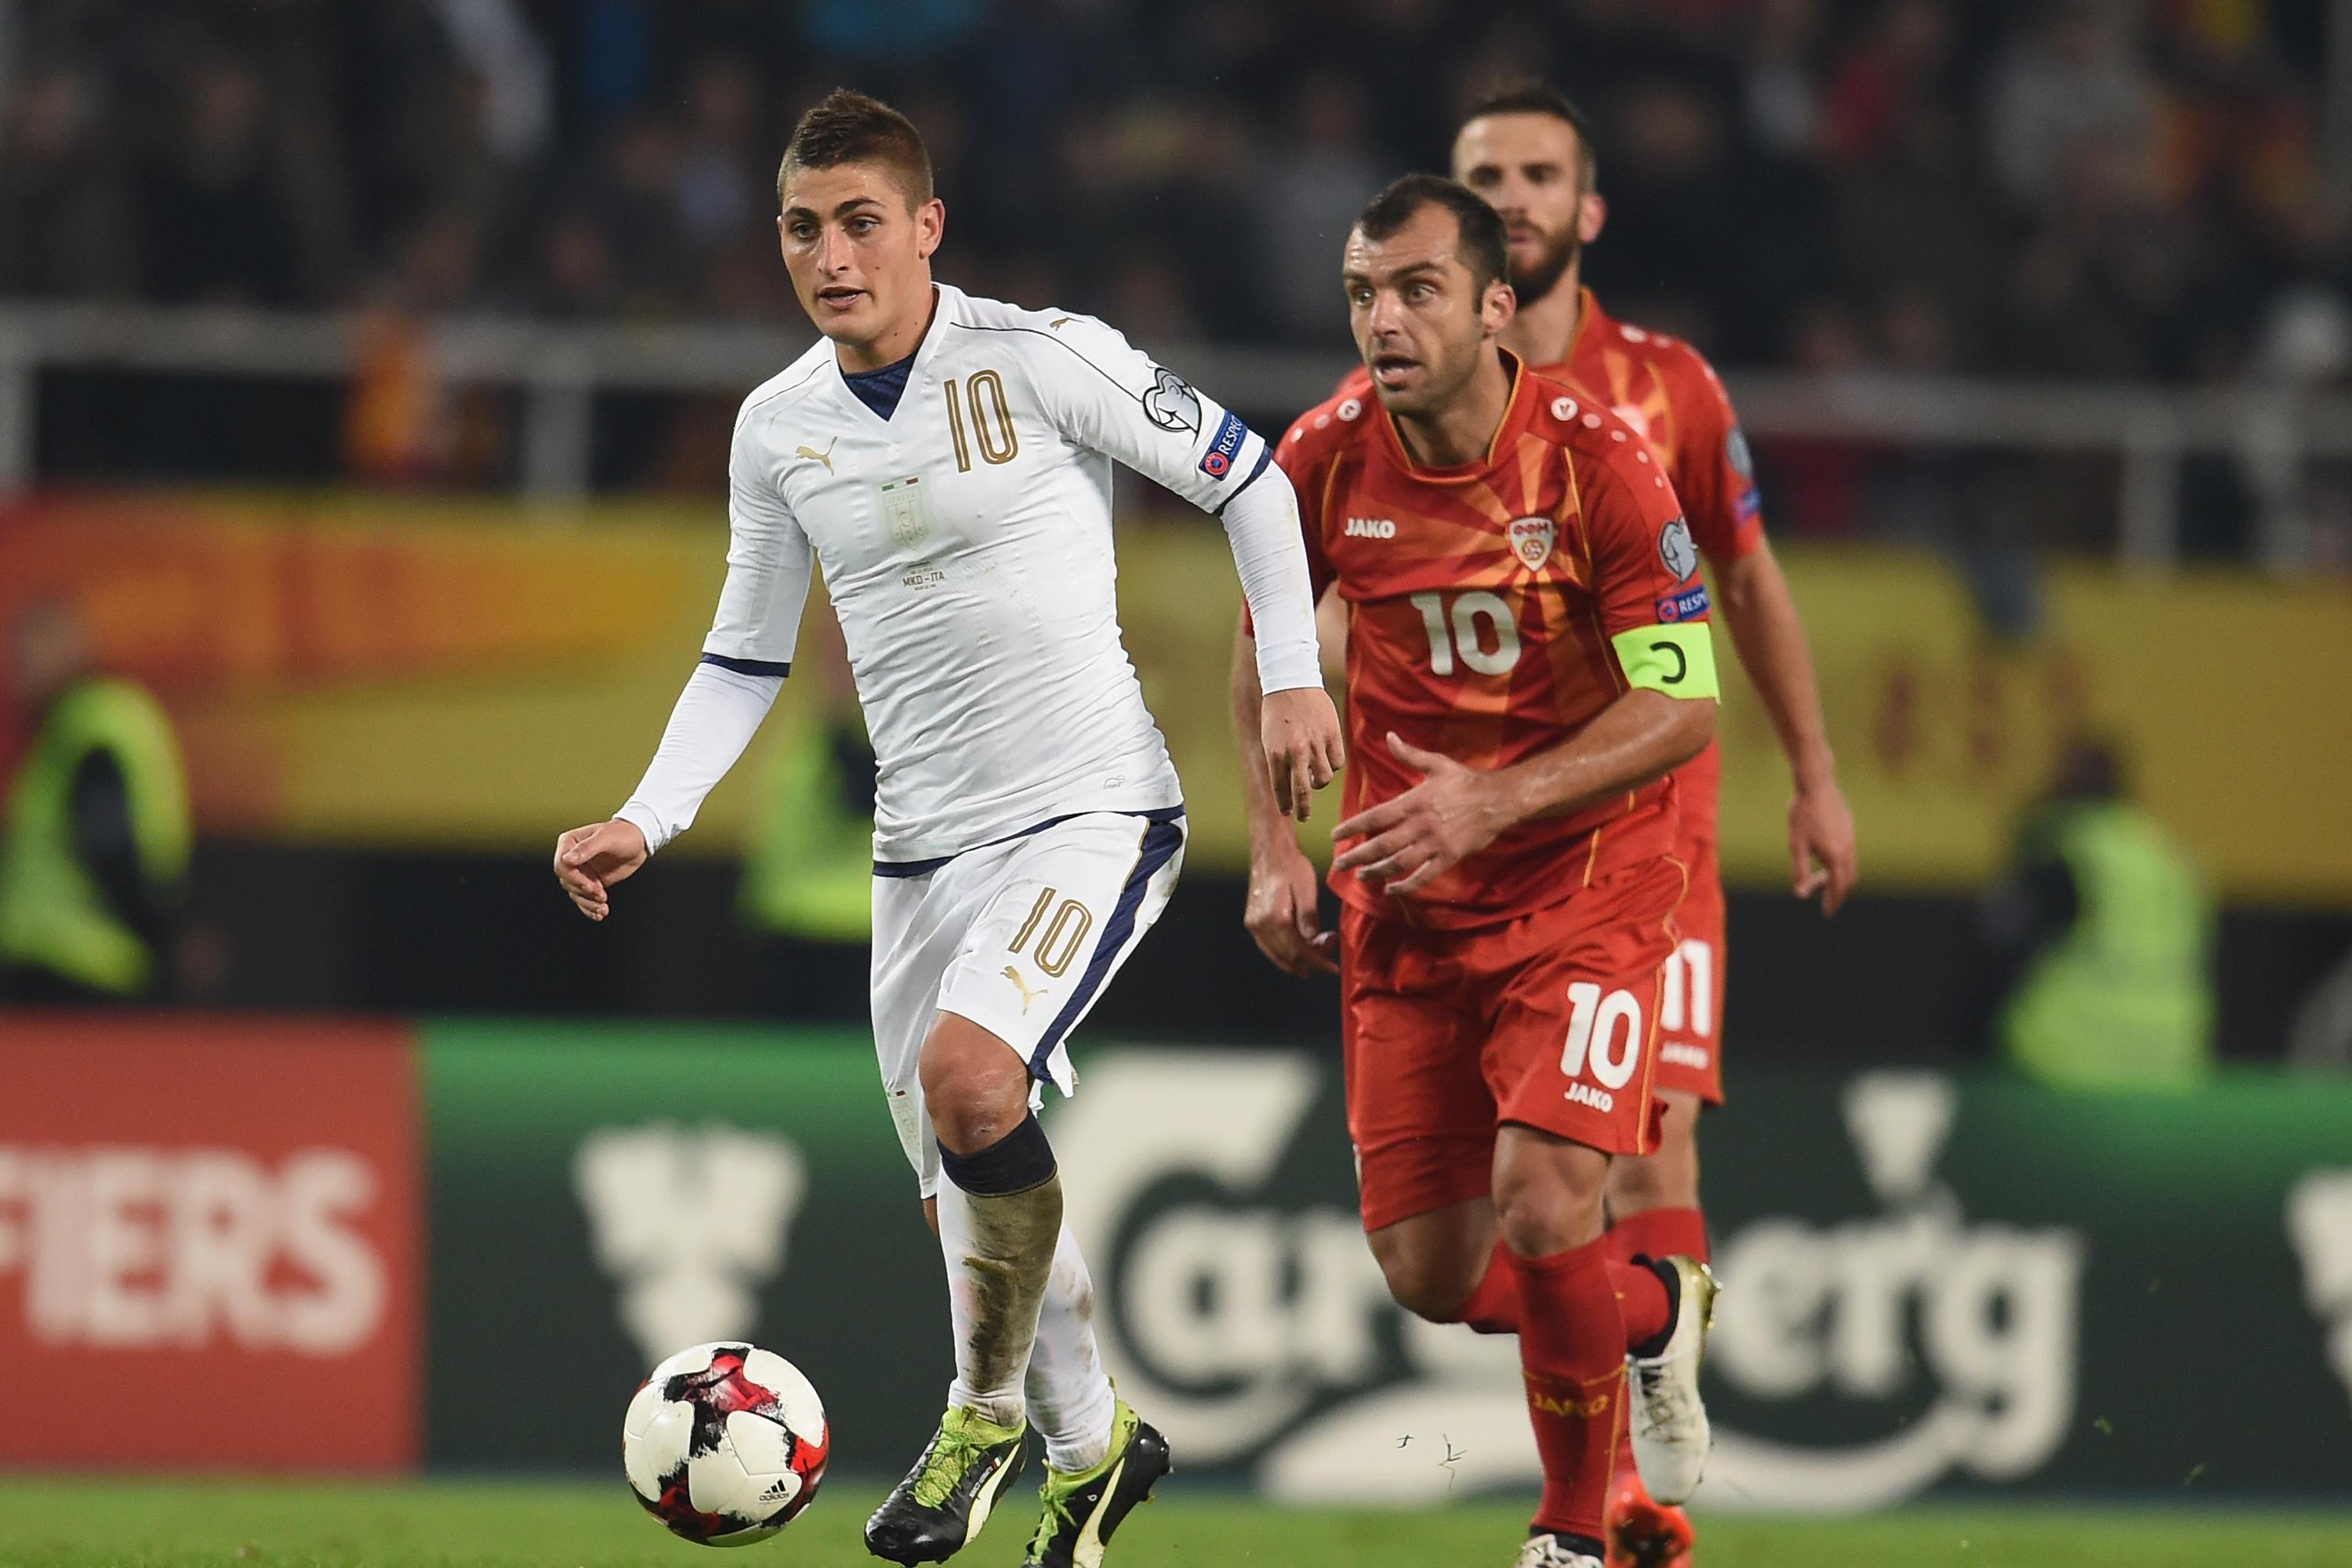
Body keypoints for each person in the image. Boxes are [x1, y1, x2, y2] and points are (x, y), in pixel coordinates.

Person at [550, 91, 1342, 1568]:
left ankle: (983, 1418)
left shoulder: (1043, 357)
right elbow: (744, 656)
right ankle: (1095, 1448)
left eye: (861, 222)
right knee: (964, 1192)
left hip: (1090, 810)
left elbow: (1253, 479)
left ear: (927, 226)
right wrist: (647, 817)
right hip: (919, 857)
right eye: (802, 228)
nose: (831, 256)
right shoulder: (776, 427)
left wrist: (1294, 674)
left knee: (971, 1081)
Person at [1319, 84, 1860, 1565]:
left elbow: (1738, 593)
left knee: (1625, 1165)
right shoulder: (1365, 423)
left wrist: (1814, 770)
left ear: (1579, 213)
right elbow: (1309, 610)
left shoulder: (1656, 403)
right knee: (1478, 1246)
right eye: (1486, 173)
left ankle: (1603, 1510)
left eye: (1539, 174)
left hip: (1629, 834)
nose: (1514, 194)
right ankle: (1643, 1356)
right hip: (1444, 863)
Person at [1232, 174, 1721, 1568]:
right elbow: (1265, 647)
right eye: (1361, 294)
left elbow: (1683, 702)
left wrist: (1492, 803)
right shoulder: (1322, 456)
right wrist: (1273, 843)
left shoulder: (1600, 463)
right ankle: (1656, 1308)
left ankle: (1570, 1535)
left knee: (1546, 1197)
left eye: (1417, 291)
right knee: (1431, 1276)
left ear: (1496, 307)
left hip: (1584, 890)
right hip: (1406, 904)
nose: (1382, 321)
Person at [1980, 739, 2215, 1088]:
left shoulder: (2063, 856)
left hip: (2066, 1060)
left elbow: (1999, 950)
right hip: (2169, 1058)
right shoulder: (2169, 858)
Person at [0, 598, 191, 1004]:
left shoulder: (93, 726)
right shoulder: (71, 725)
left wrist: (160, 937)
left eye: (29, 656)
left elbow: (110, 843)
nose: (19, 674)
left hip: (81, 968)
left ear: (69, 649)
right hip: (72, 962)